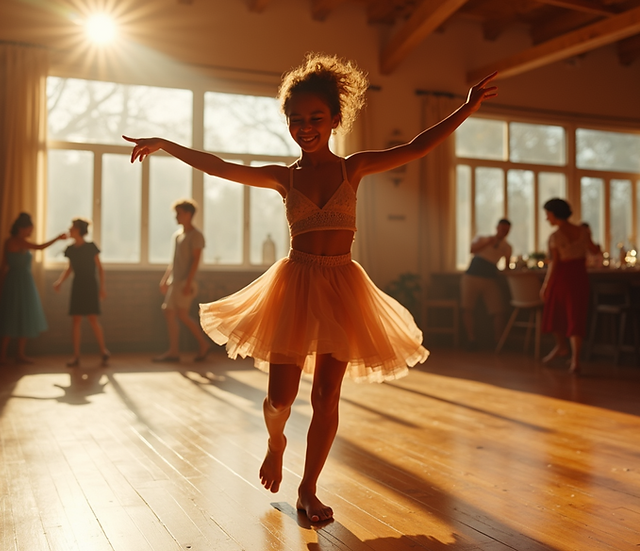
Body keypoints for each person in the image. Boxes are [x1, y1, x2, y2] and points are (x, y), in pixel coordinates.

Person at [124, 54, 497, 522]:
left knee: (326, 397)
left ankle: (308, 488)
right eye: (296, 120)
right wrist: (165, 143)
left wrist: (465, 108)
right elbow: (220, 167)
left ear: (336, 119)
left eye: (316, 118)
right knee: (280, 397)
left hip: (343, 286)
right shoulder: (286, 178)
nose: (306, 127)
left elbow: (418, 147)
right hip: (296, 284)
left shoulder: (353, 169)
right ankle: (276, 440)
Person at [0, 212, 66, 364]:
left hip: (25, 282)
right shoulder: (15, 241)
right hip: (15, 282)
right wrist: (57, 238)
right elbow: (39, 247)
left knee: (24, 316)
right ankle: (2, 356)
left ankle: (20, 354)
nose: (30, 232)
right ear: (22, 228)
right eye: (29, 229)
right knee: (11, 316)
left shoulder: (18, 242)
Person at [151, 200, 212, 362]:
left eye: (179, 213)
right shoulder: (177, 236)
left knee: (183, 315)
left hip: (186, 283)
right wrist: (165, 279)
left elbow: (195, 260)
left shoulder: (196, 235)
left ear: (188, 214)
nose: (176, 217)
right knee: (169, 312)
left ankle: (203, 344)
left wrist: (188, 282)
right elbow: (174, 260)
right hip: (175, 282)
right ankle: (174, 351)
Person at [540, 198, 591, 374]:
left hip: (562, 277)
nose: (547, 218)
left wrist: (546, 284)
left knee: (557, 313)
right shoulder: (583, 231)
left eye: (547, 214)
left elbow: (554, 263)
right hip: (579, 276)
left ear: (554, 214)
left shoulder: (554, 237)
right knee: (575, 314)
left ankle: (563, 348)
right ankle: (574, 360)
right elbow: (594, 250)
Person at [53, 218, 111, 368]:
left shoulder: (91, 247)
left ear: (79, 230)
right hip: (77, 286)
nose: (70, 230)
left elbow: (100, 268)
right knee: (76, 320)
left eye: (72, 228)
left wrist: (102, 288)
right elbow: (69, 269)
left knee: (93, 318)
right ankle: (76, 356)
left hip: (90, 285)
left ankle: (103, 351)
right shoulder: (71, 250)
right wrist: (60, 282)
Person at [461, 219, 512, 347]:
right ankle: (471, 339)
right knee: (467, 307)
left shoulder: (507, 247)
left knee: (498, 310)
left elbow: (507, 266)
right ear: (497, 228)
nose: (503, 232)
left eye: (506, 230)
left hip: (490, 278)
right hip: (471, 276)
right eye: (501, 229)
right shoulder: (482, 239)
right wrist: (489, 242)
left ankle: (498, 340)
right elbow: (472, 250)